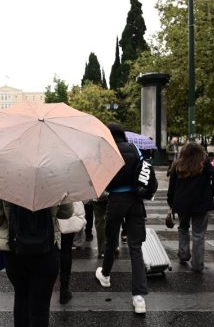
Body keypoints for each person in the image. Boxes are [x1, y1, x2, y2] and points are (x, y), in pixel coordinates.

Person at [0, 197, 73, 327]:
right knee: (41, 309)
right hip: (46, 249)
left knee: (21, 297)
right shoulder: (55, 178)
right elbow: (66, 213)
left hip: (14, 250)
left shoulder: (4, 178)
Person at [95, 123, 148, 314]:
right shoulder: (134, 148)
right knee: (135, 248)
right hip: (135, 200)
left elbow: (101, 179)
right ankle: (139, 297)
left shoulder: (107, 151)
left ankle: (106, 275)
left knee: (111, 241)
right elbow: (144, 171)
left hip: (116, 200)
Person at [167, 142, 214, 272]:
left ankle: (183, 254)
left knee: (183, 228)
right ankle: (197, 264)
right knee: (199, 234)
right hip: (201, 203)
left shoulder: (177, 164)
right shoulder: (204, 164)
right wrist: (210, 193)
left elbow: (171, 186)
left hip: (182, 203)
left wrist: (171, 202)